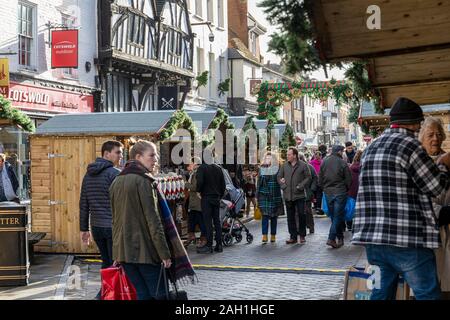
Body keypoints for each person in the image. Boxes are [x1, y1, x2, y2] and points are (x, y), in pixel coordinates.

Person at [352, 97, 450, 300]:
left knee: (380, 293)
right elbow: (437, 188)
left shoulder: (371, 148)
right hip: (407, 241)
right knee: (428, 294)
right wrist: (443, 164)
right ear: (416, 123)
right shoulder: (411, 146)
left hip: (374, 244)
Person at [110, 140, 195, 300]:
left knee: (142, 295)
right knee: (160, 294)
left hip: (124, 252)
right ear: (138, 157)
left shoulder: (116, 181)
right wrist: (164, 254)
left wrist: (116, 253)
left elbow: (115, 220)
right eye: (151, 155)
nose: (155, 159)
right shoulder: (144, 181)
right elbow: (154, 221)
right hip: (146, 252)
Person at [418, 117, 450, 298]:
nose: (435, 138)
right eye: (430, 135)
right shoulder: (417, 164)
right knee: (425, 286)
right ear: (421, 138)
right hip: (426, 235)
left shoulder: (448, 160)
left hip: (447, 234)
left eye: (438, 134)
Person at [79, 141, 123, 272]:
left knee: (106, 262)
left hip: (96, 227)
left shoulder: (88, 174)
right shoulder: (115, 174)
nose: (121, 156)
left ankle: (105, 291)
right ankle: (109, 292)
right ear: (107, 154)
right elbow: (121, 203)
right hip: (112, 227)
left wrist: (84, 228)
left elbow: (83, 203)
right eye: (118, 152)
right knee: (115, 264)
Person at [319, 145, 352, 249]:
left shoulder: (324, 161)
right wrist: (345, 189)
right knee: (337, 215)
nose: (343, 153)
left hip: (328, 192)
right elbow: (348, 179)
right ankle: (331, 238)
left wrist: (324, 188)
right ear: (339, 152)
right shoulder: (342, 162)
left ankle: (340, 237)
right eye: (342, 151)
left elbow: (320, 178)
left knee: (334, 216)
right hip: (340, 192)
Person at [278, 147, 312, 244]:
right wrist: (283, 185)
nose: (287, 156)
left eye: (289, 154)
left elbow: (308, 177)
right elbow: (279, 177)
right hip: (288, 195)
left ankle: (302, 235)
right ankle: (293, 236)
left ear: (295, 155)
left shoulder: (303, 165)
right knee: (290, 217)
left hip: (299, 195)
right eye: (287, 154)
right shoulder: (284, 166)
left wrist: (301, 186)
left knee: (302, 215)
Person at [196, 159, 226, 254]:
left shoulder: (202, 168)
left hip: (206, 197)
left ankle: (209, 245)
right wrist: (219, 195)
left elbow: (200, 182)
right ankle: (219, 245)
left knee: (207, 222)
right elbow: (223, 185)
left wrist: (198, 191)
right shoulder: (218, 168)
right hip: (216, 197)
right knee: (217, 222)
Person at [257, 152, 283, 243]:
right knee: (265, 216)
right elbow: (259, 183)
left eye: (270, 158)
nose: (268, 160)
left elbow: (281, 181)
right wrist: (257, 195)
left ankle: (273, 235)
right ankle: (264, 235)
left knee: (274, 216)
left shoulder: (278, 169)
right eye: (267, 158)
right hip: (264, 195)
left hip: (275, 194)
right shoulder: (261, 169)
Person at [184, 157, 206, 248]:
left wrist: (185, 183)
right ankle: (191, 236)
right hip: (194, 202)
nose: (189, 165)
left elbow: (195, 187)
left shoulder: (198, 173)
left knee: (201, 221)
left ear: (195, 164)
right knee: (191, 220)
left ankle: (204, 239)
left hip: (198, 202)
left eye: (190, 163)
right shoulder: (193, 173)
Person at [345, 150, 363, 232]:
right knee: (360, 209)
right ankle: (359, 225)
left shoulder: (351, 167)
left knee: (350, 208)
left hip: (351, 190)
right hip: (361, 190)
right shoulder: (363, 166)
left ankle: (349, 225)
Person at [299, 153, 317, 234]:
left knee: (308, 211)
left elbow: (315, 178)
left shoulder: (309, 167)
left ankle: (310, 226)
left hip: (307, 192)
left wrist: (312, 189)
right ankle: (298, 228)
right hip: (297, 193)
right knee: (297, 212)